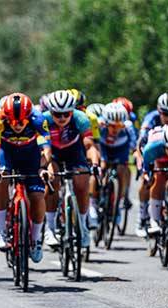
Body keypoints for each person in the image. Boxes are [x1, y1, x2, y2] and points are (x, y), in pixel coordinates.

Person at [0, 93, 52, 263]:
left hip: (31, 156)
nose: (17, 125)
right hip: (6, 154)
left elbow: (46, 149)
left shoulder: (38, 119)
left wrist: (43, 167)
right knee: (1, 180)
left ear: (29, 116)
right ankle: (1, 231)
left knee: (37, 196)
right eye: (13, 121)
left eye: (21, 121)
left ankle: (36, 240)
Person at [41, 90, 99, 248]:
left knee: (82, 185)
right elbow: (44, 148)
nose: (61, 118)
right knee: (52, 182)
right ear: (50, 111)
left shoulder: (81, 118)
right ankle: (50, 228)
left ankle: (82, 226)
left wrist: (94, 165)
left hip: (74, 152)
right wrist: (44, 167)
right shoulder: (43, 119)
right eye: (57, 114)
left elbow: (89, 145)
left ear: (72, 111)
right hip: (52, 153)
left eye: (66, 114)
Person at [134, 92, 168, 237]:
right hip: (150, 150)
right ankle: (143, 216)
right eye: (166, 114)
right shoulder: (151, 119)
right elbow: (142, 143)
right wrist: (144, 168)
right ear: (159, 110)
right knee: (148, 181)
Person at [96, 103, 137, 224]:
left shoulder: (128, 126)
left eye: (119, 126)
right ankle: (99, 195)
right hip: (104, 148)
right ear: (105, 122)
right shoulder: (99, 124)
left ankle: (119, 201)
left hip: (121, 149)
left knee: (122, 169)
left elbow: (133, 142)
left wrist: (134, 152)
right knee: (102, 167)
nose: (115, 129)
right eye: (112, 126)